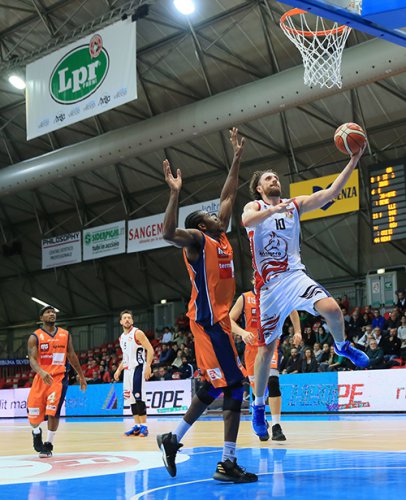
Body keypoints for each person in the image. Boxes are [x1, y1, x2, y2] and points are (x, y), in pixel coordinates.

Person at [242, 145, 370, 439]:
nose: (274, 180)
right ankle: (259, 406)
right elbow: (245, 222)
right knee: (266, 350)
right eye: (268, 179)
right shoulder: (256, 207)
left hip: (295, 276)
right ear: (259, 189)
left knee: (332, 309)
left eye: (276, 177)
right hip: (269, 288)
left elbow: (330, 194)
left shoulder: (293, 205)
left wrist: (353, 160)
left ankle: (341, 346)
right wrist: (271, 210)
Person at [157, 127, 257, 484]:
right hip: (210, 323)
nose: (218, 214)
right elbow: (168, 234)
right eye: (211, 215)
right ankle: (226, 462)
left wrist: (237, 158)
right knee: (234, 387)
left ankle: (173, 438)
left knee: (217, 386)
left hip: (216, 325)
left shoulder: (222, 235)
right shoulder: (198, 240)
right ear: (201, 224)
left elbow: (228, 193)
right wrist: (174, 195)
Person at [229, 288, 301, 441]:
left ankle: (276, 426)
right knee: (259, 392)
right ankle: (259, 416)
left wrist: (298, 331)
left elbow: (292, 310)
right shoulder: (245, 298)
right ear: (253, 280)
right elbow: (228, 320)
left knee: (273, 382)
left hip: (270, 345)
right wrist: (242, 333)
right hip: (251, 349)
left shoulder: (276, 294)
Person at [27, 306, 87, 457]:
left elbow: (72, 355)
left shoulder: (65, 334)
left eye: (53, 312)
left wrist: (81, 375)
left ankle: (48, 444)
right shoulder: (35, 337)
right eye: (47, 312)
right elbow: (32, 360)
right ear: (41, 318)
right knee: (34, 415)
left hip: (58, 379)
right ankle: (36, 432)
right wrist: (41, 372)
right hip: (41, 378)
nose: (52, 314)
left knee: (53, 412)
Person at [114, 310, 154, 438]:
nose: (127, 320)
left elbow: (150, 349)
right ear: (120, 321)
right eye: (124, 318)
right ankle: (137, 426)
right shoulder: (122, 338)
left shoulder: (137, 333)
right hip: (127, 371)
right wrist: (119, 370)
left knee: (139, 397)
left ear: (132, 321)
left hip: (138, 368)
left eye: (129, 318)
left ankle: (144, 427)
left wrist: (148, 365)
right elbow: (125, 357)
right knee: (131, 400)